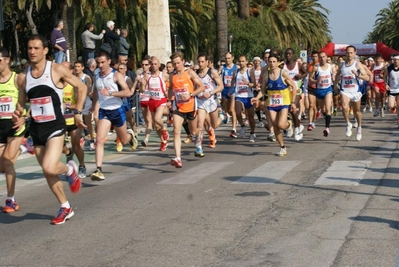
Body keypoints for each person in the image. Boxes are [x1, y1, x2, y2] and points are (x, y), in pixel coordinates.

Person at [13, 34, 87, 225]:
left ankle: (70, 170)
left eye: (36, 48)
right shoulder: (23, 77)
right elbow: (21, 104)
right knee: (48, 172)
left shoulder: (55, 70)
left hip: (55, 126)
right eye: (30, 48)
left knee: (48, 166)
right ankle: (65, 207)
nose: (32, 51)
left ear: (45, 50)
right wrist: (19, 116)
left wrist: (78, 111)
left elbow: (81, 87)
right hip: (36, 128)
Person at [90, 51, 136, 180]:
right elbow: (95, 91)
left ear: (109, 61)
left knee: (124, 141)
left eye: (103, 62)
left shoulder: (115, 75)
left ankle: (130, 135)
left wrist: (111, 93)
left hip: (117, 110)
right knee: (99, 140)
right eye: (98, 63)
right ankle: (98, 170)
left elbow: (127, 92)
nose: (100, 65)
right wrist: (94, 106)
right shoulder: (97, 76)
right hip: (104, 111)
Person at [251, 53, 296, 156]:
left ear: (278, 62)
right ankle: (282, 147)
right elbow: (262, 90)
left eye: (274, 62)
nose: (272, 64)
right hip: (271, 103)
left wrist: (292, 102)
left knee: (281, 124)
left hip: (284, 102)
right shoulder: (266, 75)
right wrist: (256, 98)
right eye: (270, 62)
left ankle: (289, 125)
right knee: (275, 126)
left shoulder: (283, 73)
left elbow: (293, 86)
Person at [0, 47, 26, 213]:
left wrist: (25, 116)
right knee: (2, 166)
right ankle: (24, 148)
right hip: (0, 126)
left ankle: (11, 200)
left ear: (7, 60)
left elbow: (33, 100)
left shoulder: (18, 79)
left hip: (15, 126)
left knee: (8, 162)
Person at [168, 52, 205, 167]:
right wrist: (170, 99)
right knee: (176, 131)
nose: (176, 65)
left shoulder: (189, 73)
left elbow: (202, 87)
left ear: (183, 61)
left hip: (190, 106)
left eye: (178, 63)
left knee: (194, 132)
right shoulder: (172, 75)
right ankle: (178, 158)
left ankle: (198, 143)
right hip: (178, 107)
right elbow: (170, 89)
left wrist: (190, 94)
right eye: (174, 63)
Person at [333, 45, 370, 141]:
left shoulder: (357, 64)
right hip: (345, 90)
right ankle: (348, 123)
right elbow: (337, 75)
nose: (349, 54)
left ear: (354, 53)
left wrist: (358, 75)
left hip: (355, 91)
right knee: (345, 106)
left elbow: (367, 77)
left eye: (351, 53)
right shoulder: (342, 65)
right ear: (345, 53)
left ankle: (359, 128)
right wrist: (335, 85)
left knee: (357, 111)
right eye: (347, 53)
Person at [61, 62, 86, 178]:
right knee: (59, 147)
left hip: (73, 120)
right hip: (61, 121)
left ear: (71, 71)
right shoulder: (56, 84)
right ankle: (68, 153)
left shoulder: (75, 85)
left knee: (76, 146)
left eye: (64, 68)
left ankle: (81, 166)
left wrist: (66, 106)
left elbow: (80, 104)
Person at [196, 52, 223, 150]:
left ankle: (224, 117)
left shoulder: (212, 72)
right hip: (201, 102)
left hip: (211, 101)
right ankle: (199, 147)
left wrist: (211, 92)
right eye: (199, 62)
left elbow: (221, 86)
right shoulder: (196, 73)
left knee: (214, 125)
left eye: (203, 61)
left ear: (207, 62)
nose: (201, 64)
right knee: (200, 124)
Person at [140, 57, 169, 151]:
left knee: (157, 118)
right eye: (152, 64)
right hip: (151, 100)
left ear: (159, 65)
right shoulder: (147, 76)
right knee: (156, 126)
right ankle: (163, 142)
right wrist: (142, 85)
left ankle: (164, 128)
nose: (154, 66)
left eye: (155, 64)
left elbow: (172, 85)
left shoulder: (163, 75)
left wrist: (169, 95)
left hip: (161, 100)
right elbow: (143, 90)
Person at [230, 55, 256, 142]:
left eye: (243, 61)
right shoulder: (235, 72)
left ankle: (252, 133)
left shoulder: (250, 71)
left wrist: (248, 83)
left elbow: (254, 84)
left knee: (251, 117)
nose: (241, 63)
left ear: (246, 62)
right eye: (240, 61)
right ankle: (242, 126)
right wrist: (230, 90)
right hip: (239, 95)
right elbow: (233, 82)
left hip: (249, 96)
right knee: (237, 112)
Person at [309, 51, 335, 137]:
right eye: (320, 57)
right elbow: (310, 79)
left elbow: (334, 75)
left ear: (326, 57)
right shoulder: (316, 68)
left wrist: (334, 77)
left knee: (327, 108)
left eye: (324, 57)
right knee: (323, 110)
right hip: (319, 91)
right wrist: (316, 81)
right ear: (318, 58)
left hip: (328, 89)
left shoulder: (330, 67)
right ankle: (325, 116)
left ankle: (327, 128)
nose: (322, 58)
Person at [221, 52, 238, 138]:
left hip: (233, 90)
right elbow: (218, 77)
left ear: (232, 58)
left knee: (232, 109)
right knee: (226, 109)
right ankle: (228, 115)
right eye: (226, 58)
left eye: (229, 58)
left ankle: (234, 129)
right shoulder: (223, 68)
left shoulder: (236, 68)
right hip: (225, 90)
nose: (227, 60)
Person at [385, 54, 399, 126]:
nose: (396, 61)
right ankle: (394, 106)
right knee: (390, 106)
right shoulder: (389, 68)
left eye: (397, 60)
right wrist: (386, 84)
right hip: (392, 89)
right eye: (395, 60)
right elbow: (385, 76)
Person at [372, 53, 387, 117]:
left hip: (383, 83)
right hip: (376, 83)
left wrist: (382, 72)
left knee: (382, 97)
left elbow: (386, 72)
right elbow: (370, 71)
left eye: (379, 59)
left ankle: (381, 108)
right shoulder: (373, 65)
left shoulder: (384, 65)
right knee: (377, 95)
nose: (377, 60)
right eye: (376, 59)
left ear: (381, 59)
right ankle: (377, 109)